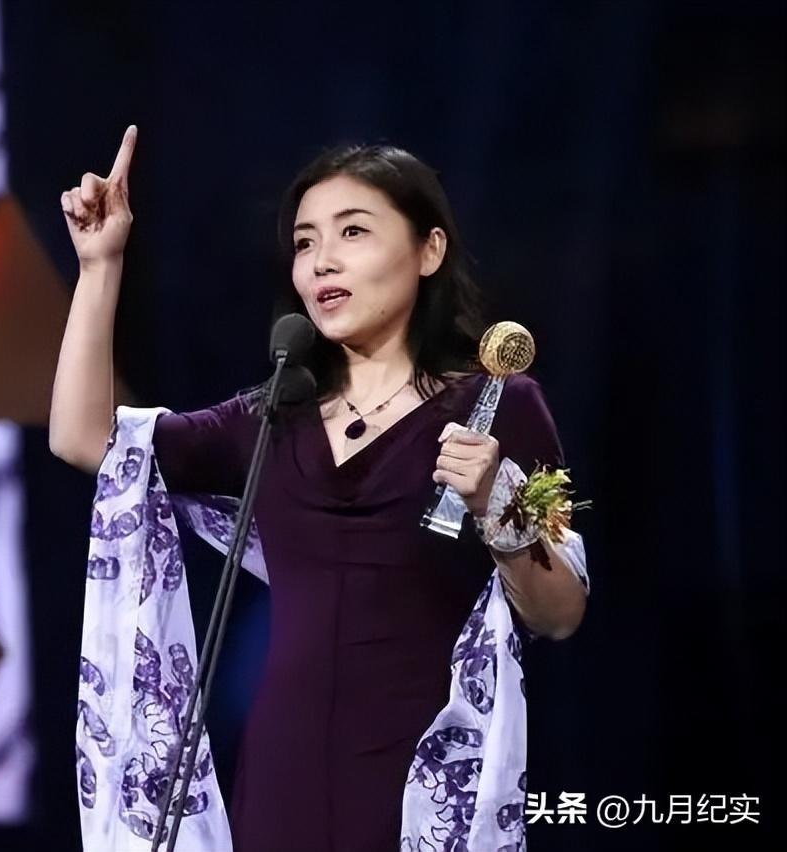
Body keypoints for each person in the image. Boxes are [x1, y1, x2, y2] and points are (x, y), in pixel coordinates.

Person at [49, 126, 589, 851]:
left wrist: (496, 501)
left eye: (353, 231)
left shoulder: (497, 406)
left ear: (429, 250)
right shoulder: (275, 417)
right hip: (282, 778)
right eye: (305, 243)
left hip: (429, 782)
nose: (321, 260)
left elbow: (560, 612)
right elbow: (86, 439)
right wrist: (99, 266)